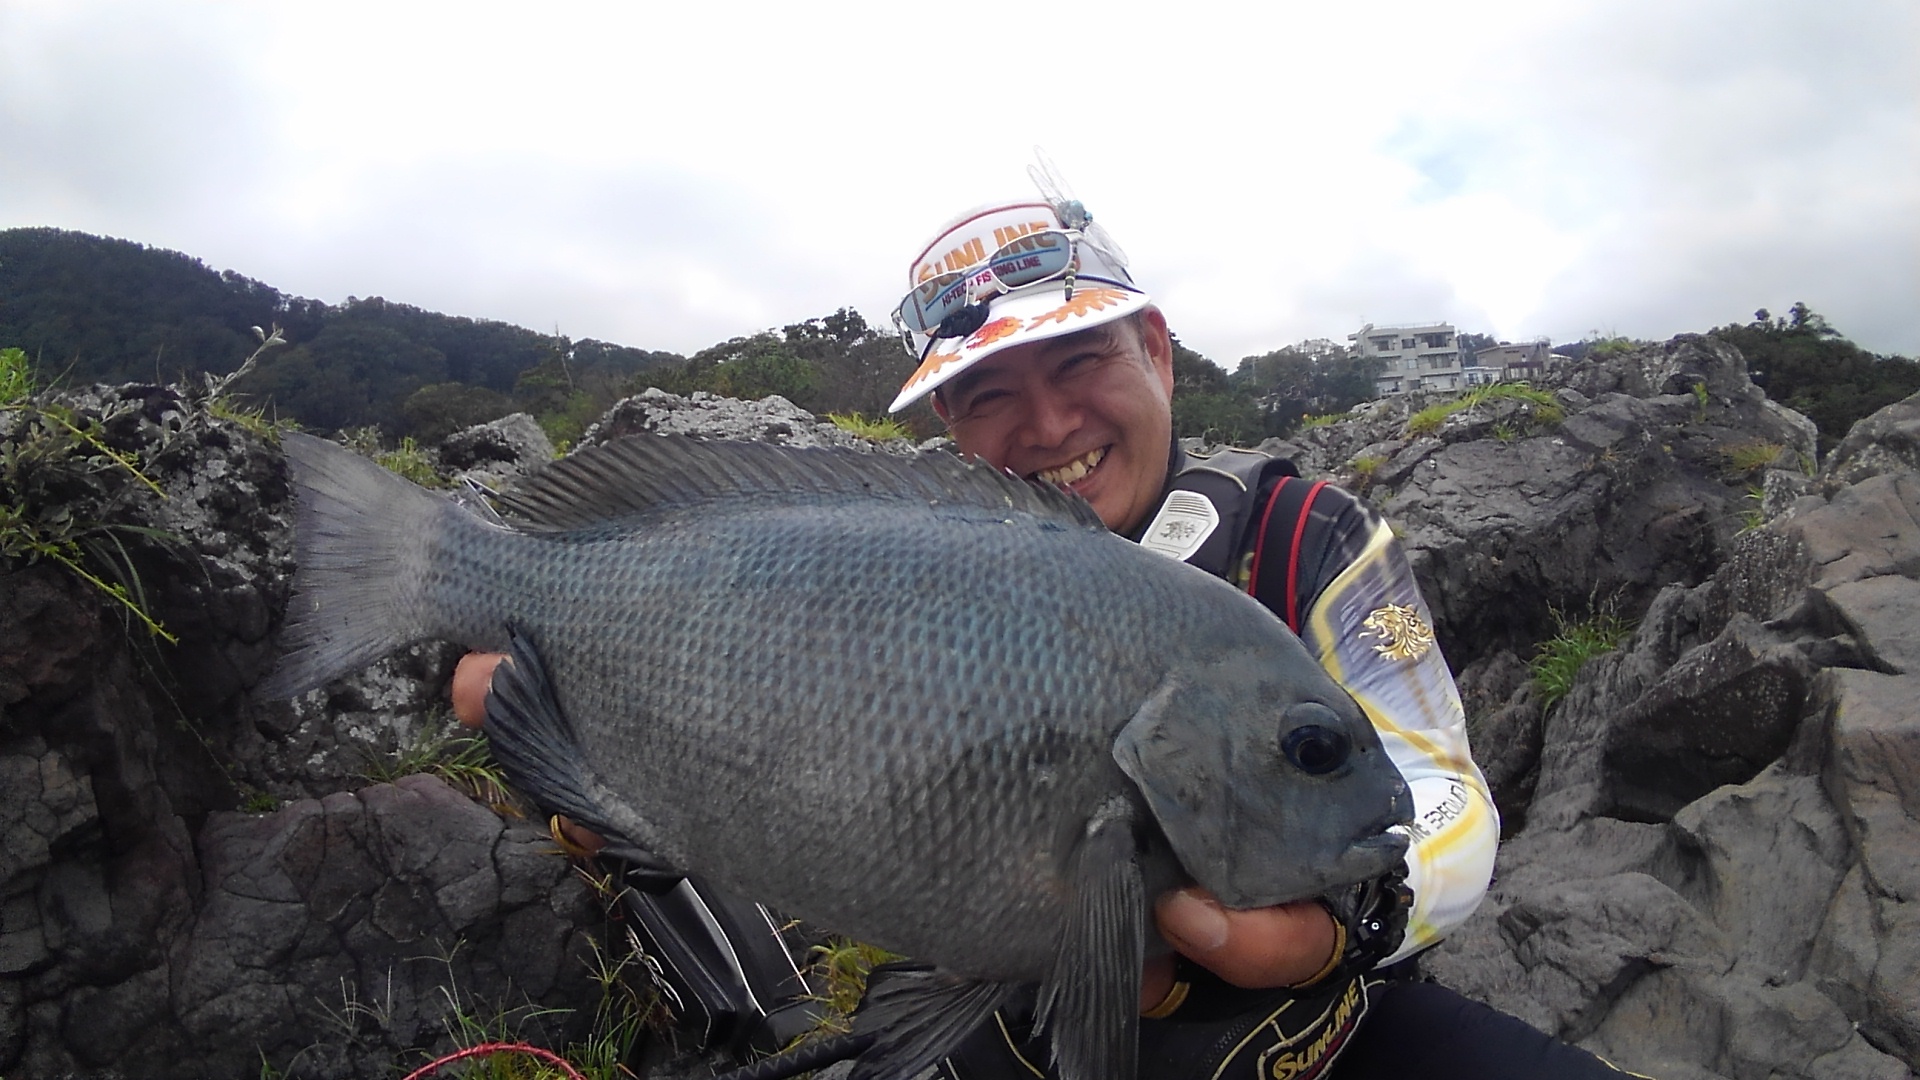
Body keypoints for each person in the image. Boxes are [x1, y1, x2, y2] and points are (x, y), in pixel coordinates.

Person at [452, 167, 1654, 1078]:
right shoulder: (901, 572)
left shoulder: (1304, 537)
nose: (1046, 422)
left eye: (1079, 360)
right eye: (988, 393)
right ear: (950, 435)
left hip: (1332, 1031)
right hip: (1021, 1032)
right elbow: (799, 780)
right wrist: (600, 754)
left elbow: (1437, 794)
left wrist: (1351, 926)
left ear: (1158, 352)